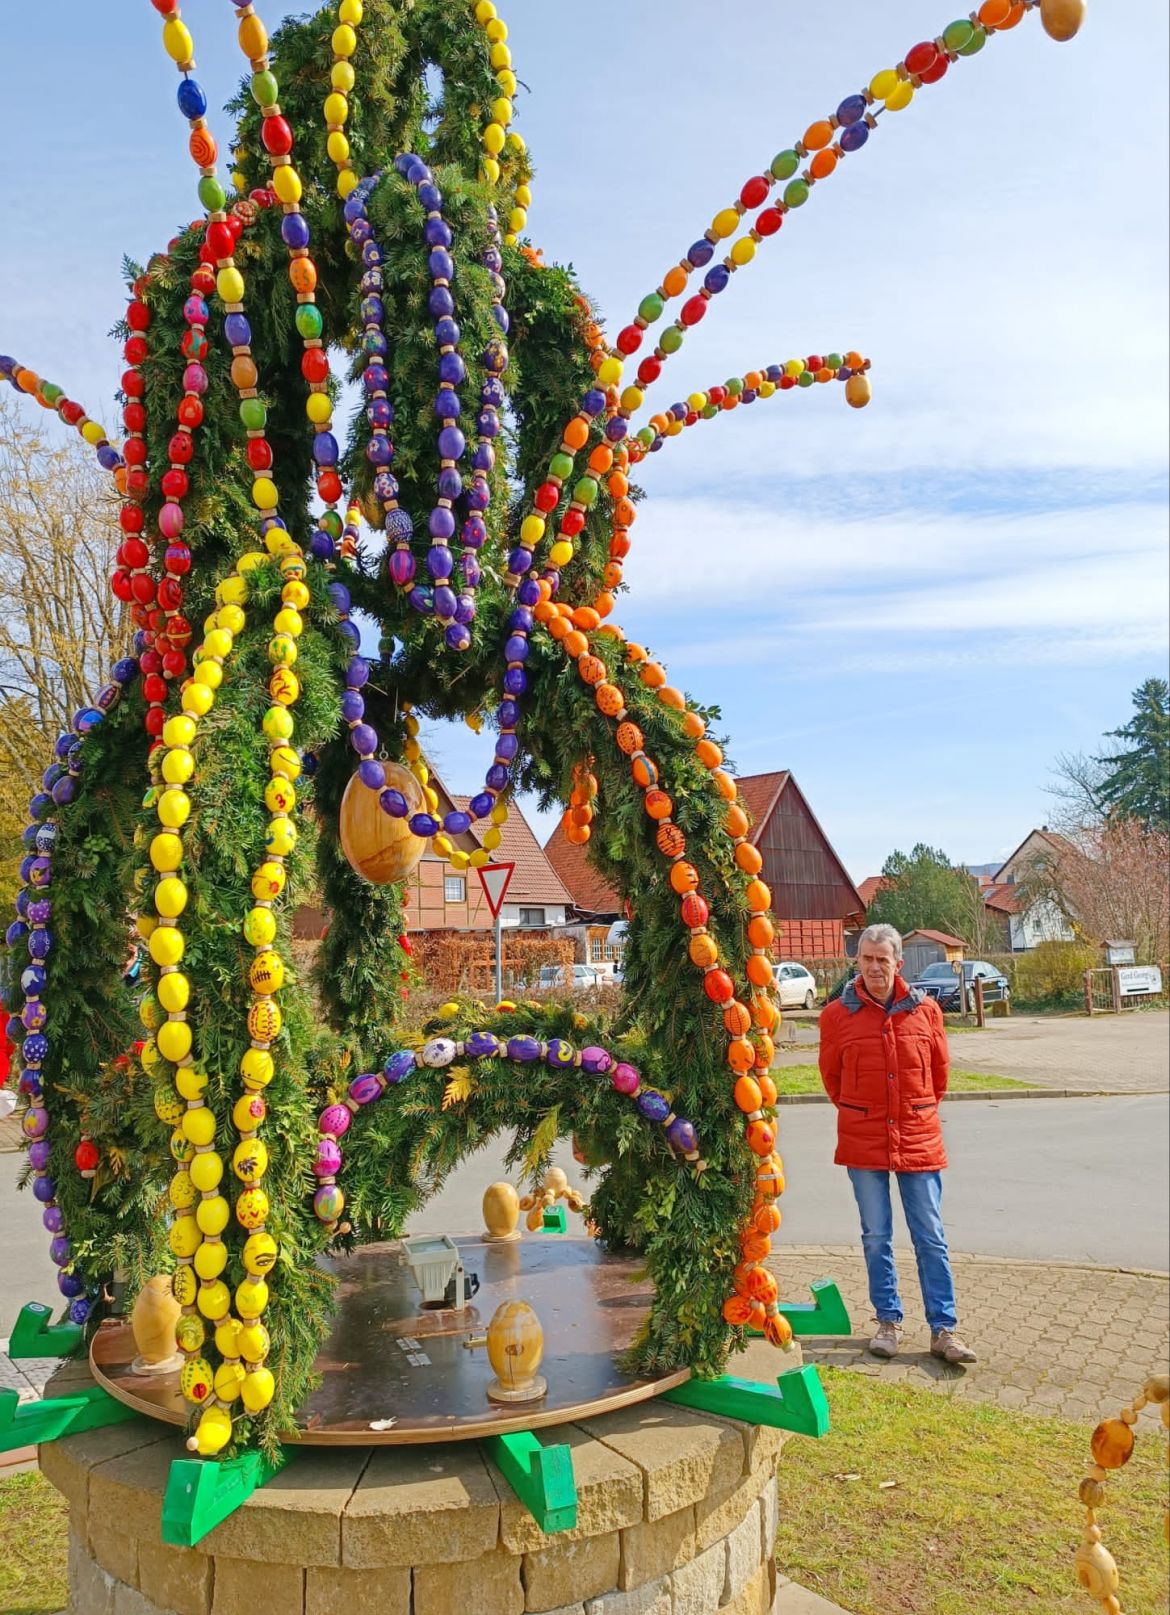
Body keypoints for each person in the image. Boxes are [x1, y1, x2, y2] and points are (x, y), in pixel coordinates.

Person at [819, 923, 976, 1365]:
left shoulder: (925, 1012)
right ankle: (887, 1322)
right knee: (875, 1236)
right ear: (857, 962)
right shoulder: (835, 1016)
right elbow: (832, 1079)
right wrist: (861, 1110)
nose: (873, 967)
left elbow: (939, 1075)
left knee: (931, 1236)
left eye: (881, 960)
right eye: (866, 959)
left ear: (898, 963)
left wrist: (916, 1109)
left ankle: (943, 1329)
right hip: (863, 1137)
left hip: (918, 1135)